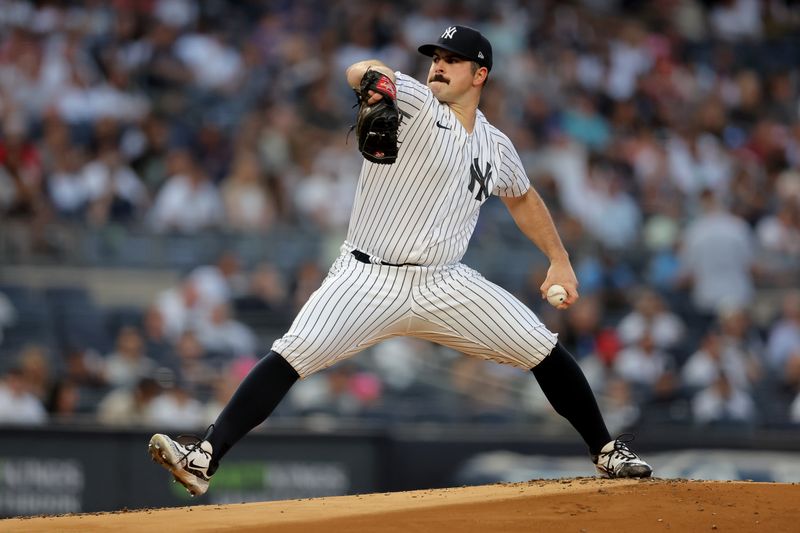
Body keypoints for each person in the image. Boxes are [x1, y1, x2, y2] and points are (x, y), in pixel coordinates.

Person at [148, 25, 652, 497]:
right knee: (291, 354)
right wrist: (373, 83)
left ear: (480, 75)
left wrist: (559, 260)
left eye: (453, 60)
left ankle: (606, 451)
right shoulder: (412, 100)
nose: (438, 65)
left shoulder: (494, 144)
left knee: (542, 347)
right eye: (436, 56)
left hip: (445, 283)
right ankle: (203, 459)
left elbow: (521, 198)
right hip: (367, 277)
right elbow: (363, 69)